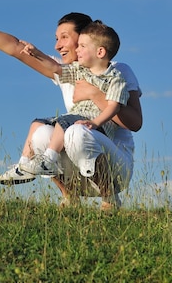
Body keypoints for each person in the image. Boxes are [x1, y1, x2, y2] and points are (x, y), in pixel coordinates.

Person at [0, 4, 142, 210]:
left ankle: (109, 200)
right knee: (42, 134)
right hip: (79, 165)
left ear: (84, 40)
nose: (57, 45)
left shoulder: (117, 71)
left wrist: (95, 95)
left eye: (64, 37)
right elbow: (15, 48)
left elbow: (135, 123)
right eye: (56, 38)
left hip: (115, 168)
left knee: (77, 132)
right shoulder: (69, 72)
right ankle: (70, 198)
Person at [17, 21, 129, 188]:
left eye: (82, 46)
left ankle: (49, 159)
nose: (77, 50)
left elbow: (114, 106)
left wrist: (96, 122)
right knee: (43, 125)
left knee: (67, 123)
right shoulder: (79, 70)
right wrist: (36, 53)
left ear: (100, 52)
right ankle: (27, 165)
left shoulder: (116, 77)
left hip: (99, 128)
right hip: (77, 120)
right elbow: (55, 67)